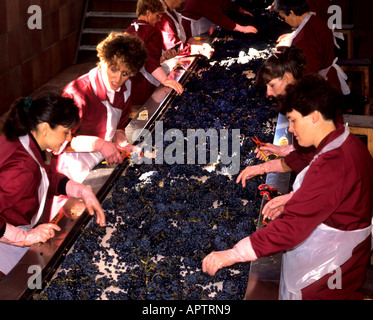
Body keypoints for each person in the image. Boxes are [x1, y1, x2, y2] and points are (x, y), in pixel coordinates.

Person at [203, 74, 373, 300]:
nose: (291, 129)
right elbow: (331, 195)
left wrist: (235, 253)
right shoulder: (344, 142)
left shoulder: (333, 163)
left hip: (331, 266)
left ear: (313, 117)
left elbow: (292, 228)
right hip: (343, 250)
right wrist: (296, 199)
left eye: (293, 120)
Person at [0, 94, 106, 279]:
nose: (68, 137)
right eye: (65, 131)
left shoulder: (24, 141)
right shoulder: (20, 167)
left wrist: (81, 190)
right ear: (45, 128)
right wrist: (26, 238)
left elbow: (45, 175)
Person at [48, 32, 146, 220]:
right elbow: (58, 142)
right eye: (113, 69)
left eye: (125, 73)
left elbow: (119, 124)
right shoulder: (78, 94)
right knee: (67, 219)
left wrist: (121, 142)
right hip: (72, 167)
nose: (118, 78)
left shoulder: (125, 88)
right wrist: (100, 144)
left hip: (99, 162)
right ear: (102, 61)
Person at [274, 0, 350, 95]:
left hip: (318, 90)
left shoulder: (305, 38)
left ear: (291, 12)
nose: (285, 21)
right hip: (329, 80)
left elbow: (309, 73)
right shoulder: (316, 21)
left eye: (283, 18)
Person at [126, 0, 184, 106]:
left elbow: (144, 57)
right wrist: (165, 80)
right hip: (145, 86)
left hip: (130, 87)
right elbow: (150, 61)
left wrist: (162, 58)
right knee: (157, 113)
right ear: (148, 13)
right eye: (157, 15)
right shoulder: (151, 32)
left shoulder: (129, 30)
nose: (159, 19)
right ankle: (159, 124)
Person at [181, 0, 258, 40]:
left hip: (204, 24)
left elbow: (221, 2)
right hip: (192, 28)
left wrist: (238, 9)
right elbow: (217, 16)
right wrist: (242, 29)